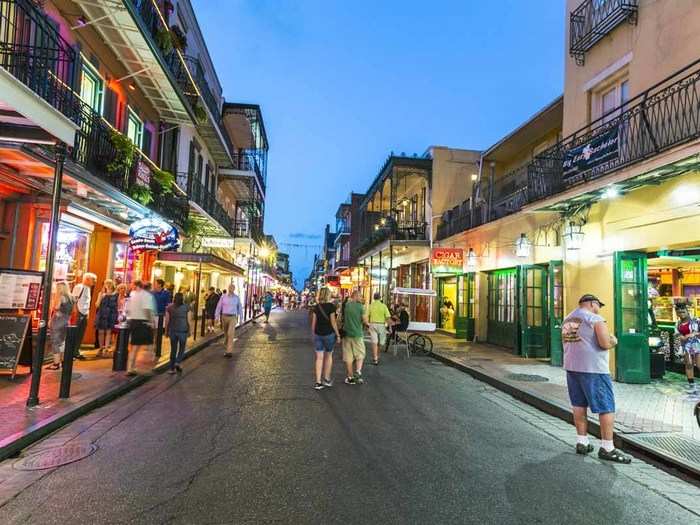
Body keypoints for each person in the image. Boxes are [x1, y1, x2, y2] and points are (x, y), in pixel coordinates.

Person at [562, 294, 630, 464]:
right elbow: (605, 343)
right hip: (593, 369)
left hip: (572, 367)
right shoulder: (595, 318)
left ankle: (582, 442)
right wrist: (613, 340)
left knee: (578, 404)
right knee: (606, 406)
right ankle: (607, 448)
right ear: (593, 303)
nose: (599, 308)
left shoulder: (568, 318)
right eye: (598, 305)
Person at [310, 287, 341, 390]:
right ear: (328, 295)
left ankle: (318, 382)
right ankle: (326, 379)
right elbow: (333, 322)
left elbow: (313, 324)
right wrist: (338, 334)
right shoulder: (331, 307)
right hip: (329, 334)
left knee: (319, 358)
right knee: (329, 356)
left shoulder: (316, 307)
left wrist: (313, 334)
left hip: (318, 334)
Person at [126, 280, 156, 376]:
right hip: (143, 322)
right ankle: (148, 369)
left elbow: (128, 309)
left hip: (133, 321)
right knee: (149, 345)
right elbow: (147, 309)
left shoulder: (133, 295)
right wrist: (150, 321)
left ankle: (130, 367)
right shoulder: (146, 296)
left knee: (135, 346)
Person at [342, 290, 368, 384]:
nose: (361, 298)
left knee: (348, 357)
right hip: (357, 334)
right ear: (357, 296)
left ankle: (350, 377)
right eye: (360, 296)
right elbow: (364, 320)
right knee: (360, 354)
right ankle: (358, 371)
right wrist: (368, 324)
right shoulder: (361, 307)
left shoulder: (347, 306)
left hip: (347, 334)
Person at [46, 282, 74, 370]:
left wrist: (54, 301)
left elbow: (56, 307)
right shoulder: (71, 297)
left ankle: (56, 363)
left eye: (57, 288)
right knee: (62, 342)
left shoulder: (61, 297)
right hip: (66, 321)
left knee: (55, 342)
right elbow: (74, 310)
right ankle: (62, 361)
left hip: (58, 321)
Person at [675, 305, 700, 395]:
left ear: (687, 311)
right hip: (685, 346)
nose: (681, 314)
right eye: (679, 312)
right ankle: (691, 384)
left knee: (698, 364)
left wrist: (694, 334)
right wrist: (680, 336)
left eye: (683, 312)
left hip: (697, 345)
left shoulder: (696, 320)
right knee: (689, 364)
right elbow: (677, 333)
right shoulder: (678, 323)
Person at [71, 272, 96, 360]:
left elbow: (86, 302)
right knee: (75, 333)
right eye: (93, 280)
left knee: (80, 333)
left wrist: (87, 313)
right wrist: (76, 311)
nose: (94, 282)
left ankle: (76, 351)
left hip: (84, 313)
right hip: (78, 313)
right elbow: (74, 299)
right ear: (87, 279)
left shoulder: (88, 289)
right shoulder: (79, 287)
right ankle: (71, 352)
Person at [164, 292, 190, 375]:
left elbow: (167, 321)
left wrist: (166, 331)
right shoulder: (186, 307)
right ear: (182, 299)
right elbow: (189, 320)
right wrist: (190, 331)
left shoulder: (169, 308)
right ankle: (178, 362)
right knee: (182, 348)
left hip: (173, 330)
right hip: (183, 330)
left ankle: (172, 369)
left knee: (173, 349)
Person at [215, 284, 243, 357]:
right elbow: (219, 307)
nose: (231, 289)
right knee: (226, 333)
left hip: (233, 317)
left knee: (230, 333)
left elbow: (240, 308)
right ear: (228, 288)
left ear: (234, 289)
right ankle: (226, 341)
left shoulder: (236, 298)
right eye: (230, 287)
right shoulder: (223, 297)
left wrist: (241, 319)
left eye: (233, 288)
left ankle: (229, 351)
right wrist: (216, 317)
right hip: (224, 317)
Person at [95, 279, 118, 357]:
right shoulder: (101, 293)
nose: (107, 285)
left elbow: (117, 305)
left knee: (108, 332)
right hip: (101, 313)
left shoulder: (115, 294)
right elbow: (97, 305)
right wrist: (101, 296)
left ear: (112, 285)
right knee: (100, 332)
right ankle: (101, 347)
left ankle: (106, 348)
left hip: (111, 314)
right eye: (106, 283)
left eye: (109, 283)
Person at [367, 292, 391, 365]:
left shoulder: (371, 306)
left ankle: (375, 358)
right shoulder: (383, 306)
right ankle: (377, 355)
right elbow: (387, 317)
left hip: (373, 324)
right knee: (381, 342)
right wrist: (390, 326)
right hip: (381, 325)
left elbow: (367, 315)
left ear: (374, 298)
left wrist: (368, 324)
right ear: (380, 298)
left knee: (374, 342)